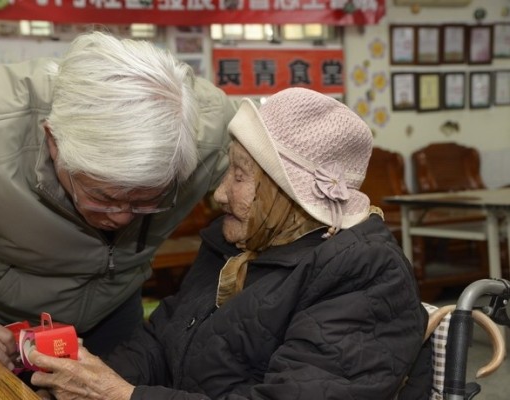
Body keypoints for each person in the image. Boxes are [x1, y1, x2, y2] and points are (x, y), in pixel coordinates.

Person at [28, 87, 430, 400]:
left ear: (286, 196)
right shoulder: (241, 244)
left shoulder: (363, 274)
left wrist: (122, 395)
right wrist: (84, 376)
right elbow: (160, 341)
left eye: (238, 176)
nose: (219, 195)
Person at [0, 31, 236, 369]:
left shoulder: (213, 130)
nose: (123, 219)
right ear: (54, 142)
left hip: (113, 313)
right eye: (103, 197)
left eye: (146, 202)